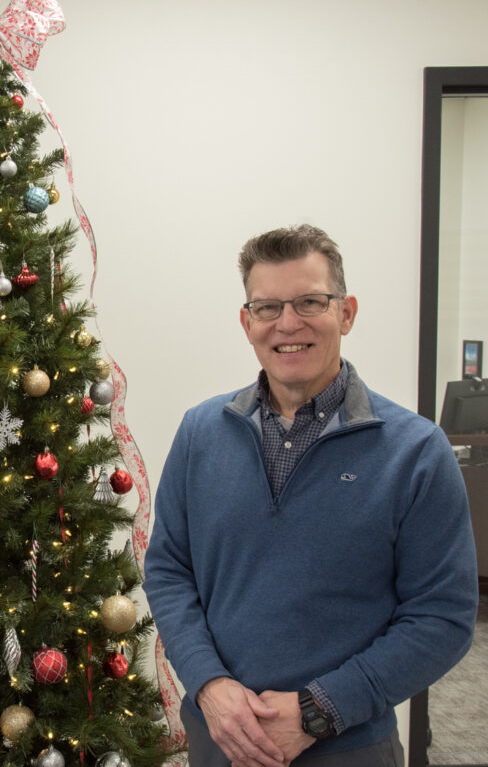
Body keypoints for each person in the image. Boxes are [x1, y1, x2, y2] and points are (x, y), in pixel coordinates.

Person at [143, 224, 478, 766]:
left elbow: (443, 616)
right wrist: (208, 684)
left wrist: (320, 710)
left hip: (349, 748)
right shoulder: (200, 433)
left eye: (309, 302)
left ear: (346, 313)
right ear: (247, 321)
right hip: (220, 737)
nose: (288, 323)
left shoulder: (416, 451)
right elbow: (168, 570)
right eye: (268, 307)